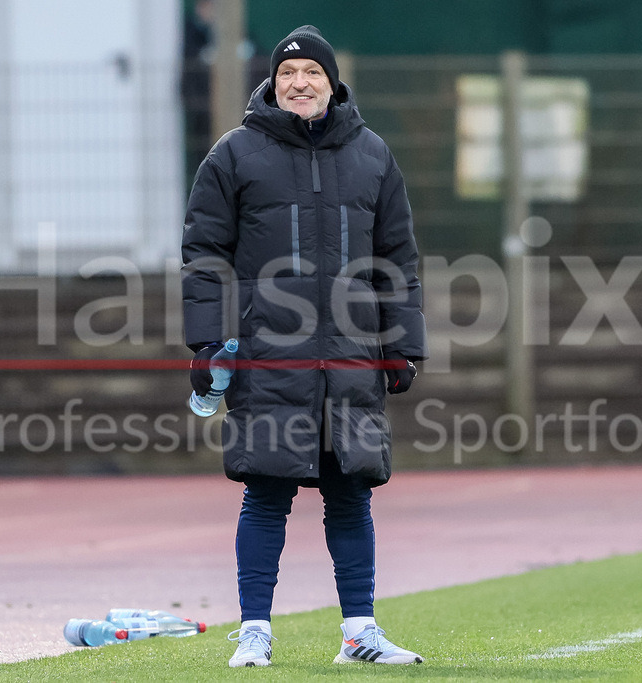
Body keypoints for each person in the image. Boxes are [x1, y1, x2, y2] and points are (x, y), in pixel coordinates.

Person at [182, 25, 427, 668]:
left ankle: (360, 633)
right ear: (272, 81)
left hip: (352, 354)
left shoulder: (373, 154)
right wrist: (207, 343)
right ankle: (255, 632)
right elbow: (203, 255)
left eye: (311, 73)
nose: (299, 83)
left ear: (332, 82)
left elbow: (398, 256)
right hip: (271, 355)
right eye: (288, 73)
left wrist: (403, 344)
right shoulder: (234, 154)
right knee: (266, 491)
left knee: (352, 492)